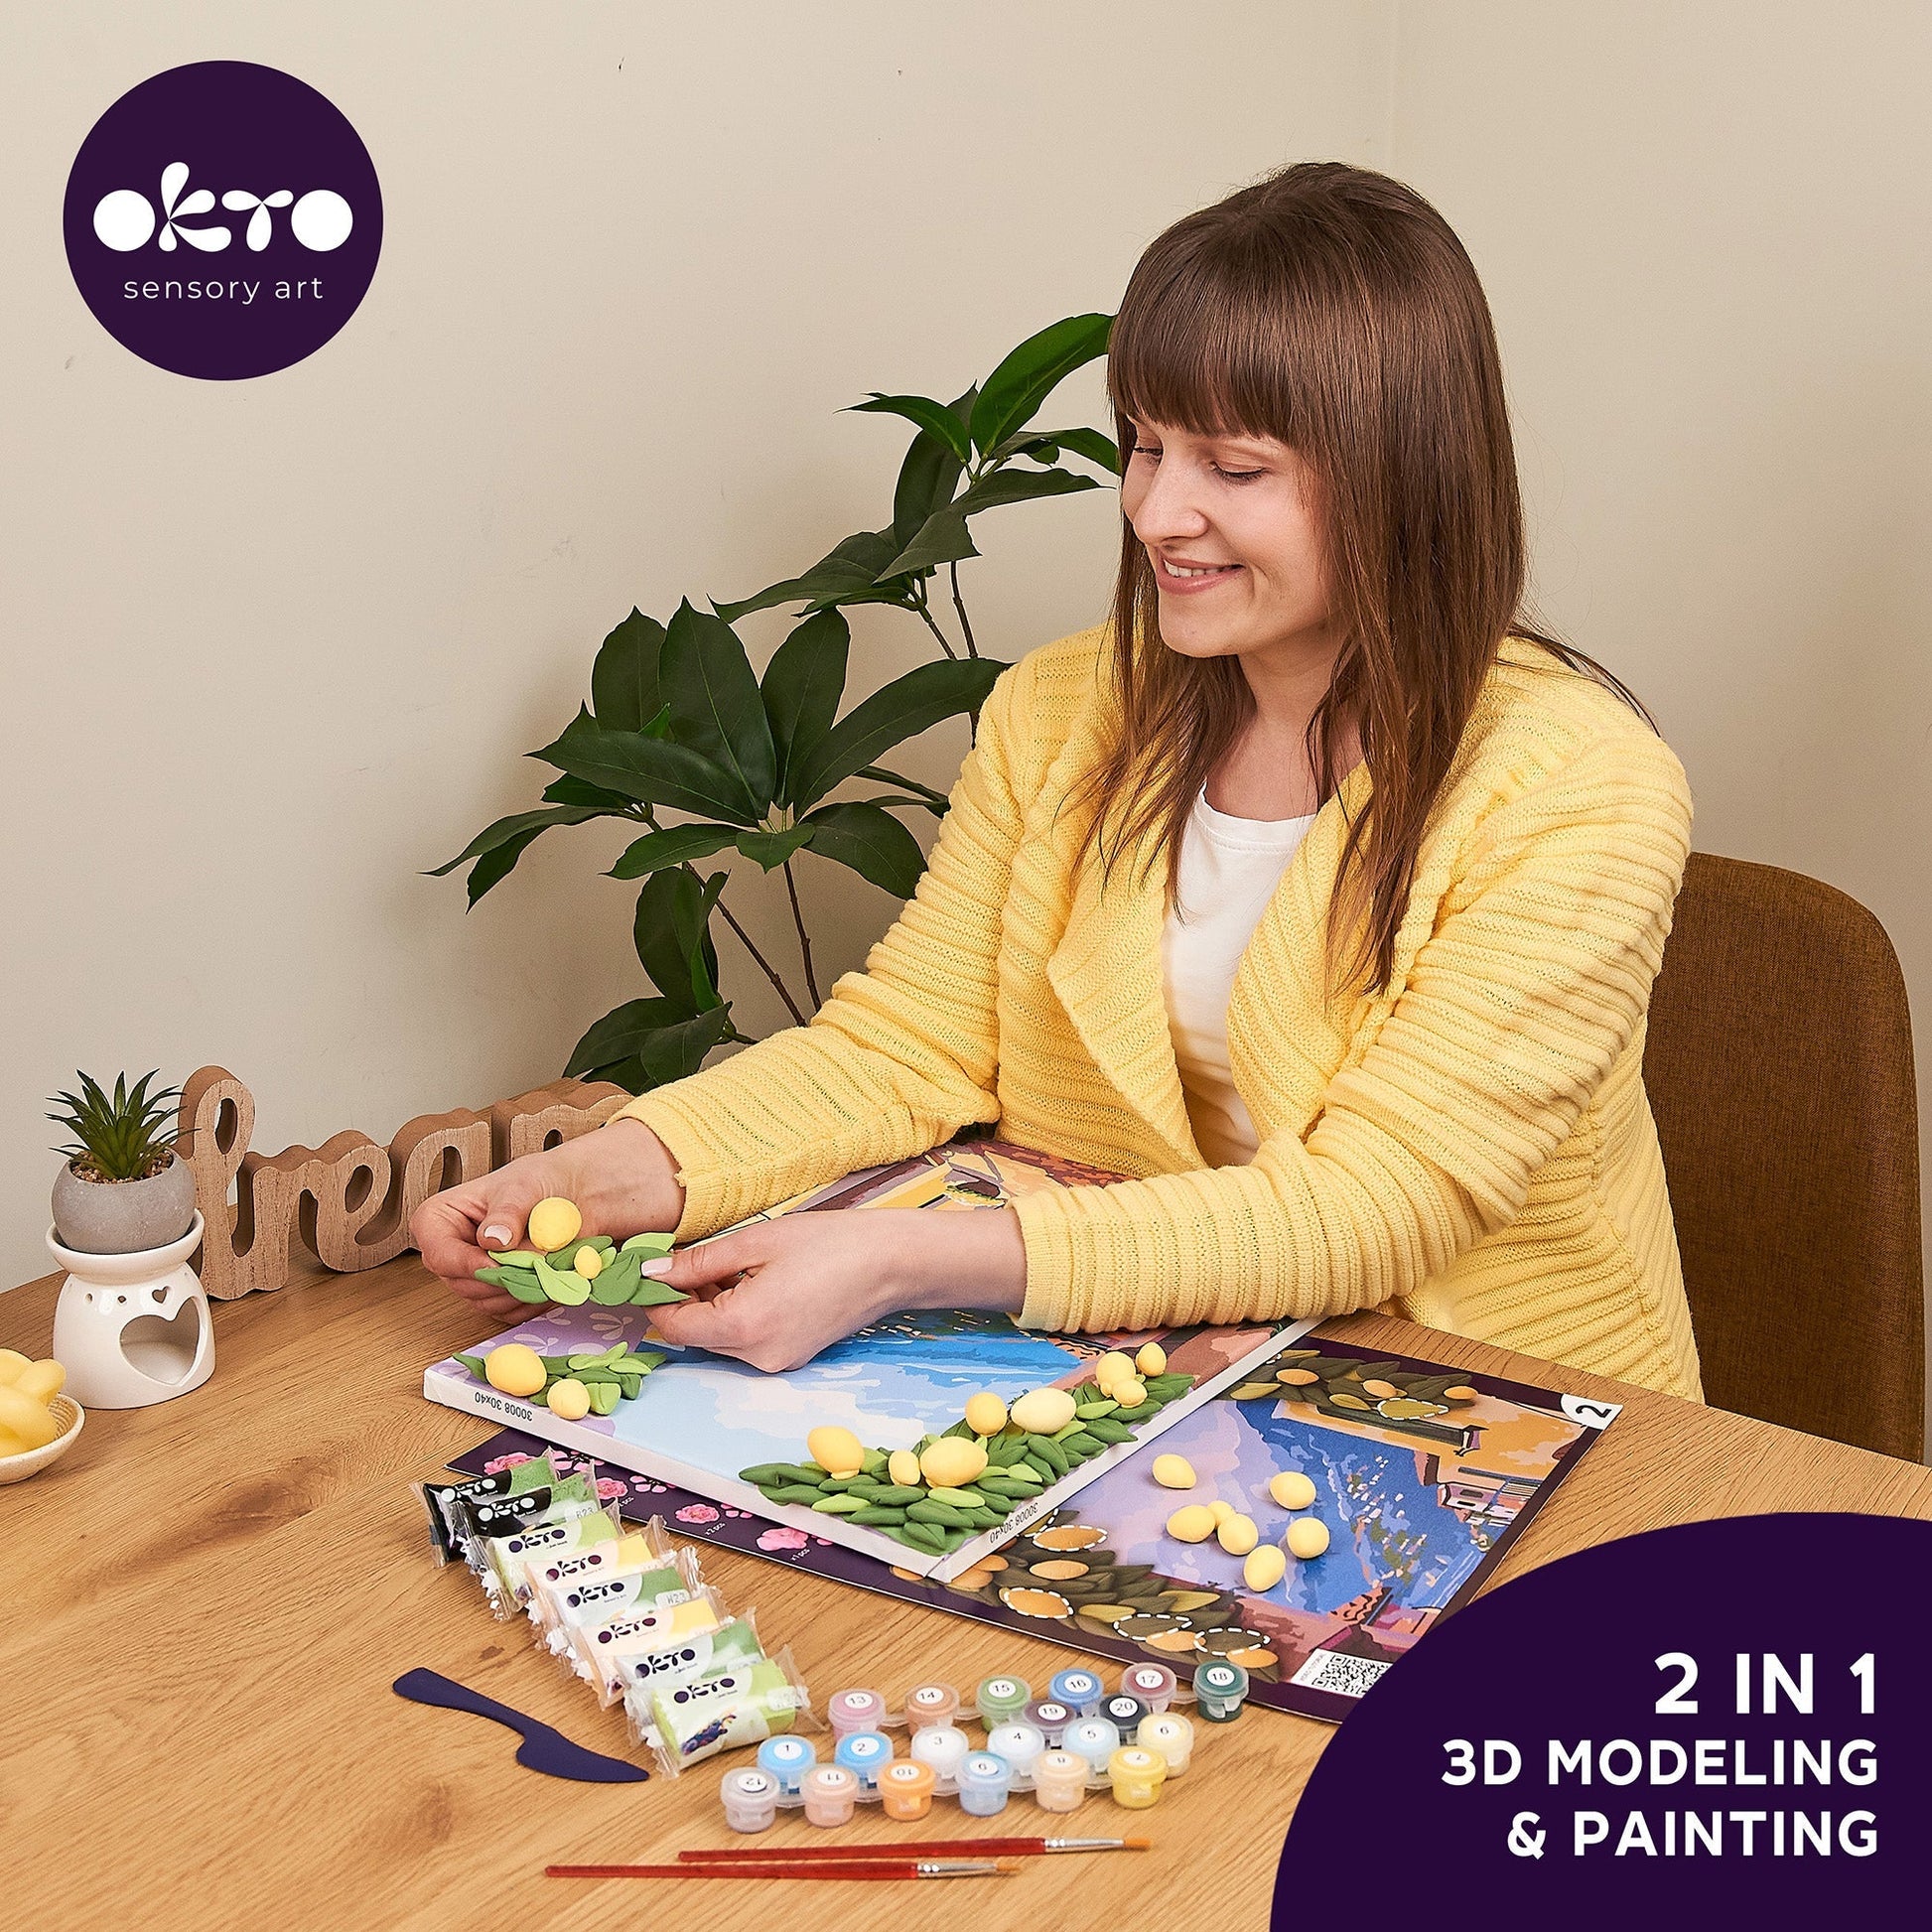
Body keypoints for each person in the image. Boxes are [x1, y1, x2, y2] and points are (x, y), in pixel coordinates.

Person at [413, 162, 1702, 1400]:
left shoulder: (1582, 784)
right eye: (1144, 446)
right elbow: (908, 1043)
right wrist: (619, 1167)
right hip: (1160, 1364)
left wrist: (902, 1258)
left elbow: (1377, 1206)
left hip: (1489, 1396)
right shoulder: (1059, 709)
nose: (1155, 512)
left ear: (1402, 480)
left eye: (1232, 468)